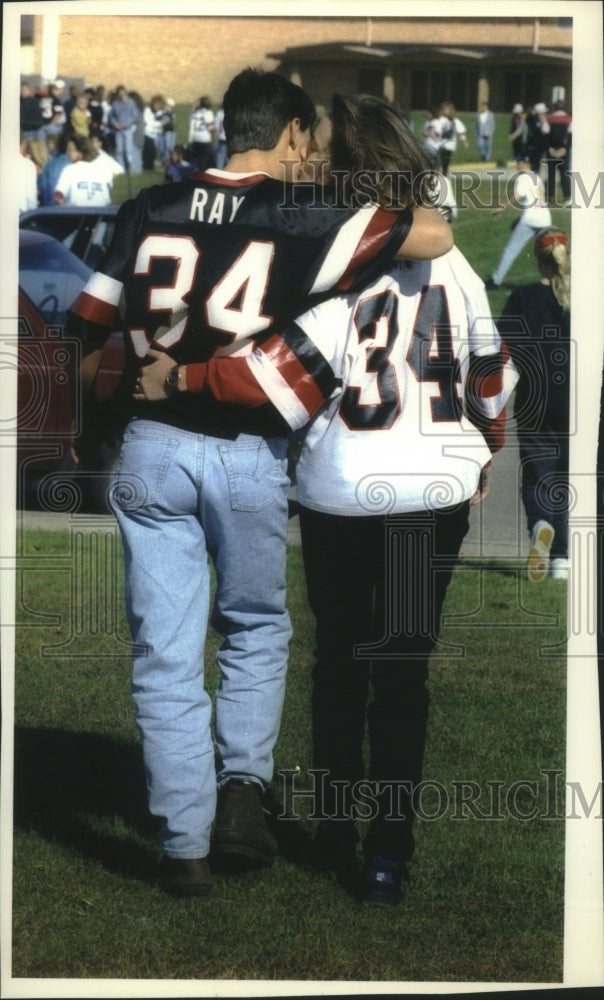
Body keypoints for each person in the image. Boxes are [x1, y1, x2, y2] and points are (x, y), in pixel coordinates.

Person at [66, 69, 453, 900]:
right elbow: (432, 236)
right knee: (254, 627)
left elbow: (87, 333)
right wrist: (347, 192)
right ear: (288, 135)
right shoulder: (301, 216)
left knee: (164, 652)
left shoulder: (146, 206)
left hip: (150, 445)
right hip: (244, 446)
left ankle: (182, 844)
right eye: (306, 139)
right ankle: (243, 794)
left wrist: (91, 429)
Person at [136, 94, 517, 908]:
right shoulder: (452, 260)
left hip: (347, 489)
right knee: (404, 672)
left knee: (341, 661)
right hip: (433, 495)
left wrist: (186, 376)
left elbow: (283, 373)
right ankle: (388, 857)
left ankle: (337, 829)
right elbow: (491, 370)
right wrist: (487, 446)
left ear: (350, 168)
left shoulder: (341, 258)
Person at [496, 228, 571, 582]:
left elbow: (502, 352)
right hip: (576, 398)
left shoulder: (522, 297)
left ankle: (540, 522)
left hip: (534, 398)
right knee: (569, 479)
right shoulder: (582, 298)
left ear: (535, 257)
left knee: (538, 474)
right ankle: (562, 559)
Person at [484, 157, 551, 289]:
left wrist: (501, 207)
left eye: (519, 162)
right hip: (545, 219)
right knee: (549, 252)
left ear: (525, 163)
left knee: (510, 250)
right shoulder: (536, 177)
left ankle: (495, 281)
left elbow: (518, 195)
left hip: (531, 219)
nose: (517, 165)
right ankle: (555, 279)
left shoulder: (523, 178)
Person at [54, 134, 113, 206]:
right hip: (99, 215)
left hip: (75, 215)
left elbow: (58, 195)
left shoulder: (69, 170)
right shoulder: (102, 171)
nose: (67, 153)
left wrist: (64, 212)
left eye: (70, 150)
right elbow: (108, 201)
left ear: (80, 152)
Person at [543, 100, 572, 204]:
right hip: (564, 151)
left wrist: (549, 148)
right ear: (564, 108)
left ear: (554, 108)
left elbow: (545, 135)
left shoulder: (549, 119)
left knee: (551, 174)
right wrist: (565, 148)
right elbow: (571, 136)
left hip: (551, 150)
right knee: (564, 174)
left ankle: (549, 197)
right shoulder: (569, 119)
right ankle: (567, 197)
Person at [108, 85, 138, 170]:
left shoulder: (131, 102)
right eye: (119, 93)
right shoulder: (115, 103)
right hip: (118, 130)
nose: (121, 95)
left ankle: (132, 168)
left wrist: (125, 124)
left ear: (125, 92)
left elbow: (134, 115)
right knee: (119, 150)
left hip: (127, 129)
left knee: (128, 149)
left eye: (123, 93)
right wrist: (115, 124)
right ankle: (121, 168)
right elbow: (112, 116)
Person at [437, 102, 468, 177]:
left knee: (446, 161)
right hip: (442, 143)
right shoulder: (440, 120)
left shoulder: (455, 121)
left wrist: (464, 141)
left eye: (447, 110)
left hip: (450, 144)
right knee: (442, 157)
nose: (445, 111)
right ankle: (440, 171)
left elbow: (461, 131)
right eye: (444, 110)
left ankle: (444, 172)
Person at [187, 95, 215, 170]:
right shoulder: (209, 113)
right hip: (205, 139)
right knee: (203, 161)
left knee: (196, 158)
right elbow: (211, 128)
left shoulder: (195, 113)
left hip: (195, 138)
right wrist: (212, 139)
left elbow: (190, 124)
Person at [523, 102, 549, 174]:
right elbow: (537, 133)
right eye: (542, 114)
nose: (544, 115)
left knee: (536, 168)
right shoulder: (532, 122)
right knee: (530, 167)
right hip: (532, 147)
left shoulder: (543, 122)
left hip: (539, 149)